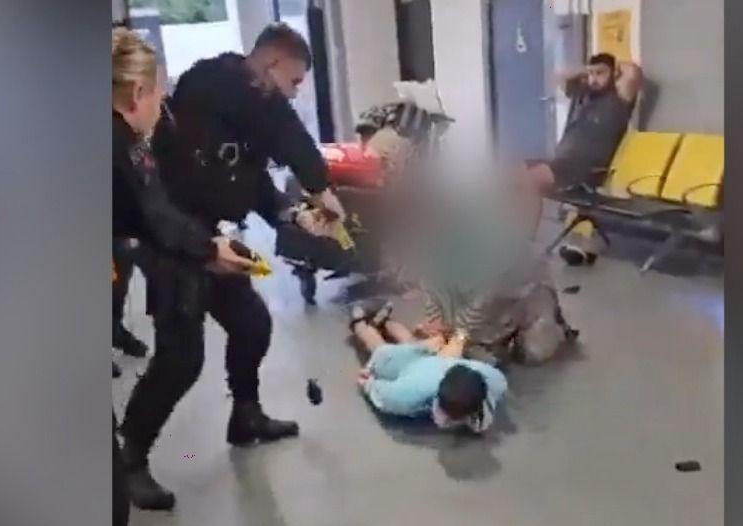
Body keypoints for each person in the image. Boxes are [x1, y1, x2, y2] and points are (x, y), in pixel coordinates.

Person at [149, 22, 347, 449]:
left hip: (208, 235)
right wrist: (321, 186)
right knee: (180, 360)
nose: (294, 93)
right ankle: (130, 452)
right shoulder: (213, 79)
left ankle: (246, 416)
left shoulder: (242, 115)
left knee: (251, 324)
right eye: (293, 81)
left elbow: (249, 178)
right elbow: (285, 129)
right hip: (169, 236)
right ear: (271, 62)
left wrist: (287, 212)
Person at [111, 28, 256, 511]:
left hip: (175, 243)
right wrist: (207, 248)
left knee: (232, 332)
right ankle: (127, 458)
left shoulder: (132, 139)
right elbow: (154, 216)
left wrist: (210, 243)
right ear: (137, 93)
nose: (163, 101)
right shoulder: (117, 143)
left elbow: (160, 212)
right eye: (157, 91)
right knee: (181, 356)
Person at [520, 53, 643, 235]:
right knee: (509, 172)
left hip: (584, 168)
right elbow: (559, 76)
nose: (594, 79)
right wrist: (588, 69)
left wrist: (613, 66)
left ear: (614, 74)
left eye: (600, 73)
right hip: (560, 162)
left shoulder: (619, 99)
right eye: (591, 74)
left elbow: (632, 71)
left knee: (529, 181)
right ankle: (513, 232)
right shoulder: (582, 93)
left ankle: (526, 242)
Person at [348, 304, 508, 433]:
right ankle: (360, 323)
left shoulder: (494, 381)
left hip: (440, 360)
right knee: (379, 347)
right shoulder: (405, 395)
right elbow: (375, 387)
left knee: (411, 341)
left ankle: (385, 321)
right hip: (411, 366)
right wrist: (368, 382)